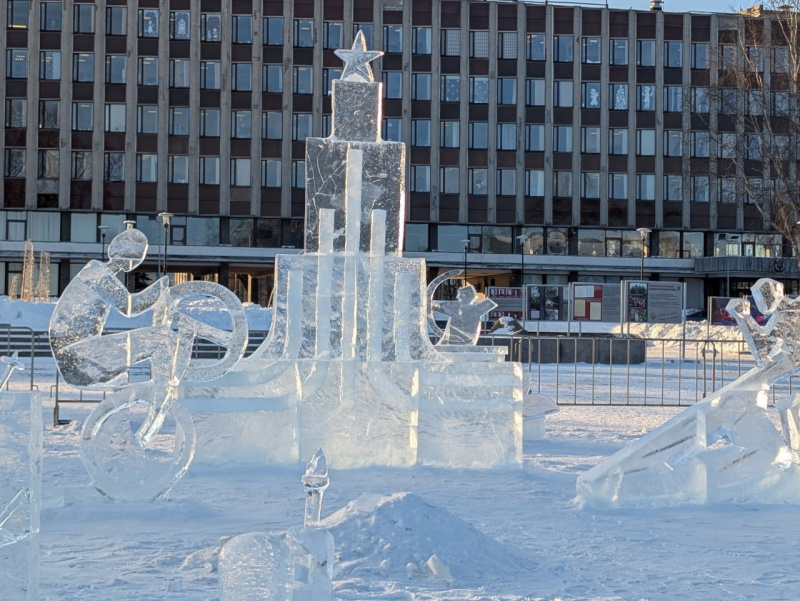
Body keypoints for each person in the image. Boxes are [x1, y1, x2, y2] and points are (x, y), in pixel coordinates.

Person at [49, 228, 189, 390]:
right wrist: (160, 287)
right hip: (77, 359)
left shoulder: (98, 272)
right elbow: (129, 306)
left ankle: (160, 391)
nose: (136, 259)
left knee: (162, 338)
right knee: (163, 337)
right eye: (136, 254)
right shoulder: (96, 272)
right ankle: (163, 392)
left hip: (77, 356)